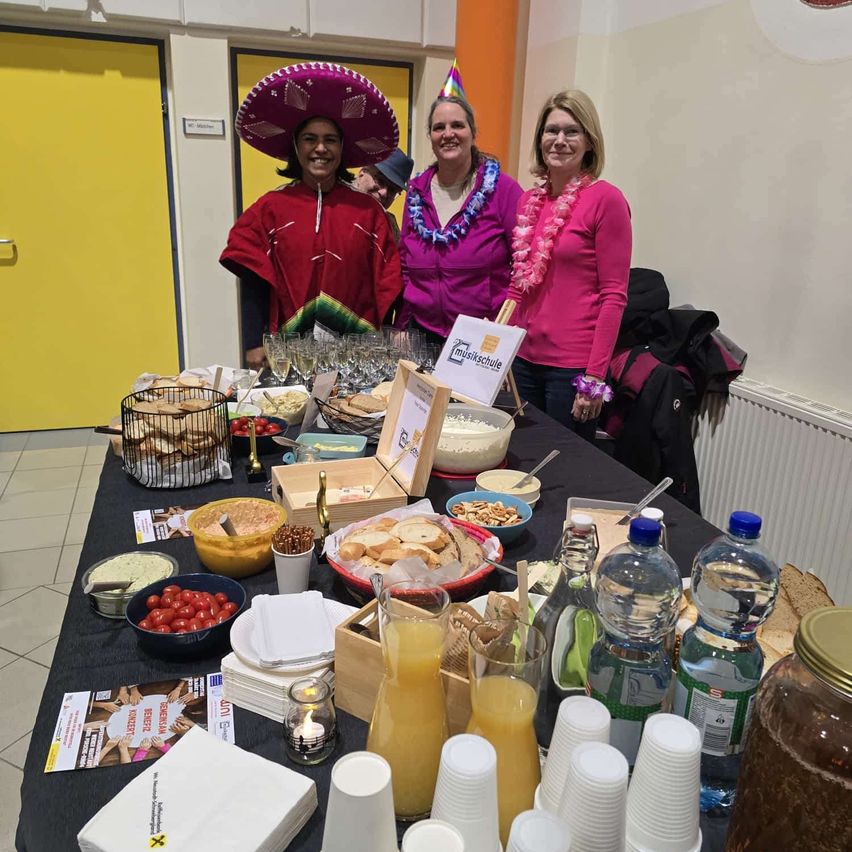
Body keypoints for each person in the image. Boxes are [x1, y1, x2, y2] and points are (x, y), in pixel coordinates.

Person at [220, 62, 403, 370]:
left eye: (330, 139)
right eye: (310, 139)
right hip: (288, 353)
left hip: (358, 356)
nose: (320, 148)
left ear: (342, 148)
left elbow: (387, 282)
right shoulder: (270, 208)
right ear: (295, 145)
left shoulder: (369, 212)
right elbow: (252, 279)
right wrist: (252, 342)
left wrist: (384, 343)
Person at [505, 89, 631, 440]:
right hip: (524, 361)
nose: (559, 140)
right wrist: (499, 350)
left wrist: (594, 376)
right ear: (540, 140)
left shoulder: (606, 200)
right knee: (520, 458)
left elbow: (614, 296)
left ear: (589, 142)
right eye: (551, 131)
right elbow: (518, 286)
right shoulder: (528, 201)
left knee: (562, 471)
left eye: (571, 131)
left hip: (572, 370)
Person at [396, 95, 522, 345]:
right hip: (422, 334)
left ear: (473, 133)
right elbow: (406, 264)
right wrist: (401, 324)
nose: (448, 133)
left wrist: (506, 326)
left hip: (483, 337)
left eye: (457, 125)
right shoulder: (416, 194)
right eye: (439, 127)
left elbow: (524, 266)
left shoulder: (503, 190)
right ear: (430, 136)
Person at [353, 148, 414, 240]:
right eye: (380, 181)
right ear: (362, 173)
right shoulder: (333, 203)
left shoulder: (391, 228)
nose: (384, 193)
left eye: (393, 190)